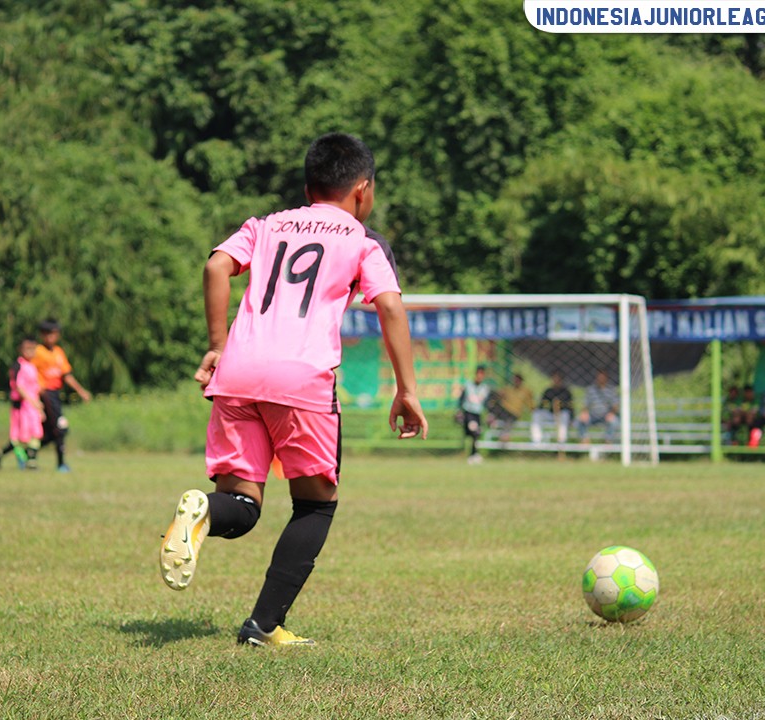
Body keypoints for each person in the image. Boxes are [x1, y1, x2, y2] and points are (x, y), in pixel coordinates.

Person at [158, 132, 428, 647]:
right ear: (363, 191)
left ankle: (203, 511)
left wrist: (217, 345)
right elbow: (390, 305)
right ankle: (262, 625)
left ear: (308, 187)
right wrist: (406, 390)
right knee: (315, 506)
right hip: (301, 380)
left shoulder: (264, 225)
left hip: (236, 373)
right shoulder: (361, 240)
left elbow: (217, 265)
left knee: (240, 505)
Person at [32, 318, 91, 472]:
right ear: (43, 335)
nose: (53, 337)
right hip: (45, 395)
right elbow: (30, 373)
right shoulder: (37, 352)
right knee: (60, 429)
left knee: (51, 432)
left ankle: (28, 454)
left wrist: (81, 391)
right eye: (50, 334)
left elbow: (66, 375)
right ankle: (60, 464)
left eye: (55, 334)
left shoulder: (58, 352)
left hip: (56, 394)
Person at [0, 337, 45, 469]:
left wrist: (39, 406)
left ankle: (31, 461)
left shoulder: (32, 366)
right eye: (28, 349)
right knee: (20, 437)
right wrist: (33, 402)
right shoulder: (18, 366)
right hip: (23, 406)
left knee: (35, 433)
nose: (31, 352)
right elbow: (19, 388)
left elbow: (34, 388)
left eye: (33, 349)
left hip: (32, 406)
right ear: (20, 349)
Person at [575, 370, 619, 443]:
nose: (600, 378)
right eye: (599, 377)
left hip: (606, 415)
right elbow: (585, 404)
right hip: (593, 415)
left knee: (614, 421)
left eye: (602, 377)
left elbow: (615, 405)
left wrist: (612, 413)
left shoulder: (611, 390)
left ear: (606, 378)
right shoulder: (591, 389)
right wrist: (584, 412)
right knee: (580, 419)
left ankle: (608, 440)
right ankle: (584, 439)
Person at [457, 365, 490, 463]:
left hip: (477, 414)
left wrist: (489, 415)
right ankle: (474, 454)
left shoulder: (485, 388)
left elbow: (487, 403)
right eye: (478, 374)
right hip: (468, 413)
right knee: (474, 431)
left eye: (482, 374)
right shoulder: (468, 386)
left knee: (475, 435)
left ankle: (474, 454)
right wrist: (459, 411)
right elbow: (461, 400)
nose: (479, 376)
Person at [531, 371, 573, 444]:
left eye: (558, 379)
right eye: (554, 379)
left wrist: (561, 405)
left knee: (565, 415)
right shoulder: (548, 391)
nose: (556, 381)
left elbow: (570, 406)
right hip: (550, 414)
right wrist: (545, 405)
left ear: (561, 380)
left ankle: (561, 441)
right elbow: (542, 404)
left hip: (561, 415)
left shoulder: (566, 392)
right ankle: (536, 441)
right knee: (537, 414)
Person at [491, 373, 533, 442]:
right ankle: (492, 418)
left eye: (517, 380)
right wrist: (499, 395)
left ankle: (505, 434)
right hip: (505, 411)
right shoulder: (508, 389)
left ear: (521, 381)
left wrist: (532, 409)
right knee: (495, 405)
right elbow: (499, 396)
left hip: (515, 413)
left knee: (510, 418)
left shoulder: (525, 391)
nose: (515, 382)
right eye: (514, 380)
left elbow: (530, 404)